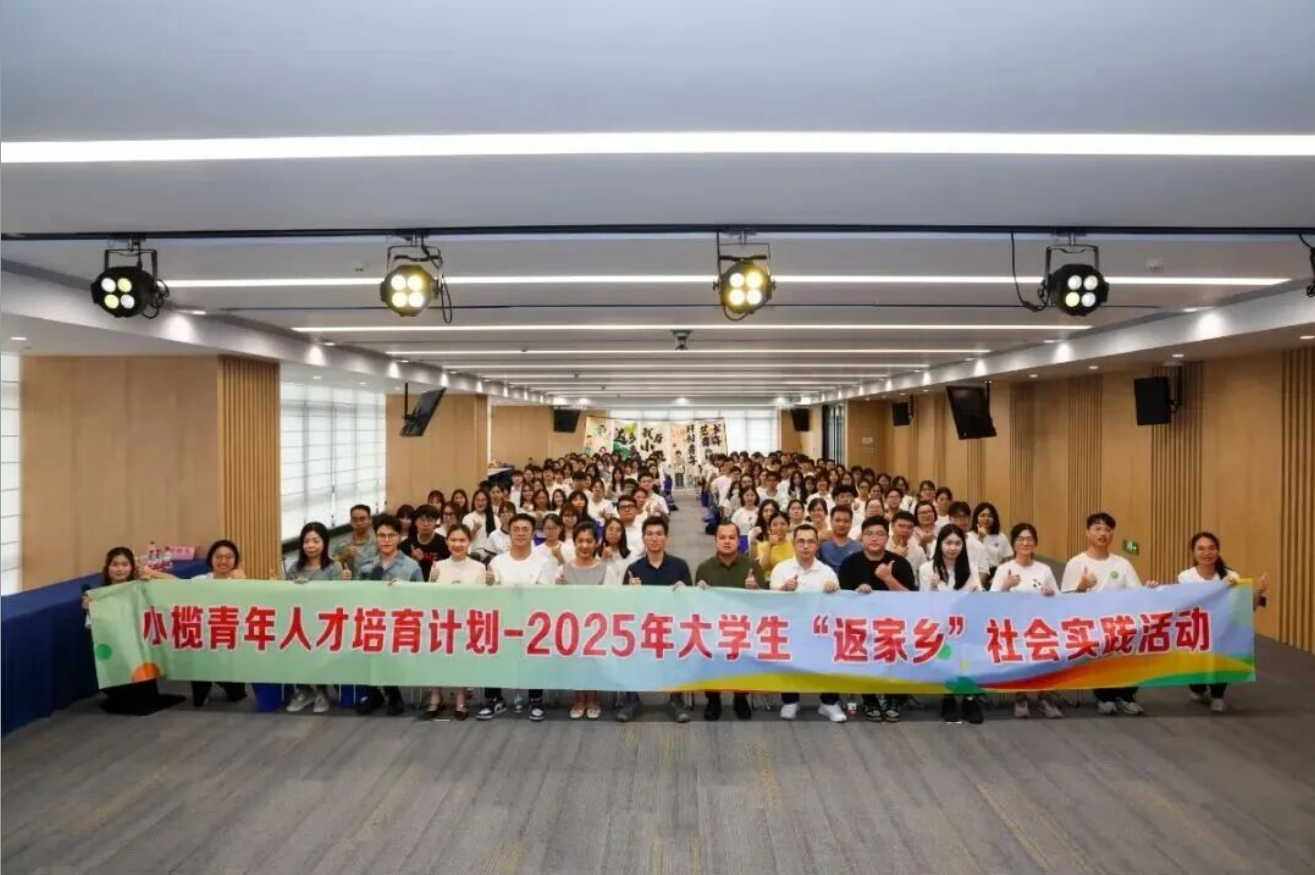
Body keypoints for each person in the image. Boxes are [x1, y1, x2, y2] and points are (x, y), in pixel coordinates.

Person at [1161, 531, 1269, 713]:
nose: (1207, 553)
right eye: (1201, 549)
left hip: (1223, 629)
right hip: (1197, 629)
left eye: (1211, 548)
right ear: (1193, 552)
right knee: (1196, 671)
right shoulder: (1185, 577)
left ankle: (1218, 695)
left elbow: (1245, 606)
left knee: (1221, 663)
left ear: (1218, 550)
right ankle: (1197, 687)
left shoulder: (1231, 576)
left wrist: (1259, 591)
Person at [144, 540, 251, 707]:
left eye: (229, 557)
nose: (223, 561)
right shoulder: (202, 580)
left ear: (236, 561)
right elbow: (177, 583)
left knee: (237, 696)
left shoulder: (241, 581)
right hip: (203, 645)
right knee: (199, 701)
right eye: (218, 556)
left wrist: (243, 581)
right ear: (211, 559)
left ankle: (226, 680)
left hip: (229, 642)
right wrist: (151, 572)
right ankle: (209, 679)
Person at [1060, 512, 1145, 716]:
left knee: (1134, 638)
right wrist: (1082, 586)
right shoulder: (1076, 563)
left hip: (1119, 624)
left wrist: (1150, 590)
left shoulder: (1122, 564)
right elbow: (1065, 603)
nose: (1103, 533)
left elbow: (1138, 593)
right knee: (1100, 643)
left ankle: (1126, 696)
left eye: (1107, 529)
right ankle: (1105, 696)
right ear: (1087, 533)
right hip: (1088, 625)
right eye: (1097, 528)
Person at [84, 547, 186, 715]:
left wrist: (150, 572)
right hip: (117, 654)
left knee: (143, 703)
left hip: (139, 653)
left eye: (125, 564)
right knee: (129, 702)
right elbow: (95, 630)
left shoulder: (141, 588)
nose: (119, 569)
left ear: (132, 567)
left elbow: (177, 584)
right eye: (115, 564)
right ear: (107, 568)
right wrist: (90, 608)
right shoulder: (98, 596)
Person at [479, 514, 557, 721]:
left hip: (533, 622)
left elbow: (546, 593)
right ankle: (494, 699)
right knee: (494, 655)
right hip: (503, 620)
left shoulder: (544, 562)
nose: (520, 533)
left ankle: (535, 700)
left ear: (532, 534)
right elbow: (491, 594)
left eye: (525, 529)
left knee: (533, 657)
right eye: (516, 529)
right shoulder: (497, 561)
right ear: (509, 534)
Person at [838, 516, 916, 722]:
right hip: (860, 625)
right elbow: (841, 601)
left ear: (887, 537)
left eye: (880, 534)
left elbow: (911, 599)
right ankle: (869, 698)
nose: (874, 538)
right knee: (859, 645)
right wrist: (856, 593)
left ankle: (894, 698)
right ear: (861, 537)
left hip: (894, 625)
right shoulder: (849, 563)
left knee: (899, 644)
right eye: (869, 534)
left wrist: (888, 578)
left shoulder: (899, 563)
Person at [618, 517, 694, 723]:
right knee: (626, 644)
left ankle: (676, 698)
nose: (654, 538)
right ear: (643, 538)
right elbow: (623, 607)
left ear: (666, 538)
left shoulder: (679, 566)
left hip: (672, 627)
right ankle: (631, 698)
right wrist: (630, 591)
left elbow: (690, 603)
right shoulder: (634, 568)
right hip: (641, 627)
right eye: (650, 534)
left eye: (659, 534)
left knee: (682, 643)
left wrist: (685, 591)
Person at [769, 525, 846, 723]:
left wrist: (834, 589)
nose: (805, 546)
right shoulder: (782, 569)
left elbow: (838, 605)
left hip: (820, 630)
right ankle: (790, 701)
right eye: (801, 541)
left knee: (828, 657)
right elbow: (769, 602)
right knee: (788, 658)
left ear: (817, 545)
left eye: (810, 542)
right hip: (789, 628)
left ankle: (829, 703)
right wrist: (783, 589)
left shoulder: (826, 571)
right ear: (793, 544)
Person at [351, 515, 424, 716]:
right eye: (381, 535)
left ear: (399, 537)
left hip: (400, 622)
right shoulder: (367, 566)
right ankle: (373, 693)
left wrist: (402, 590)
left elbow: (422, 597)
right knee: (365, 646)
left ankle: (393, 695)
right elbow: (357, 594)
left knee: (388, 648)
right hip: (372, 620)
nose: (386, 540)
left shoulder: (410, 566)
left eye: (391, 535)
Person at [694, 521, 766, 720]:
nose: (727, 541)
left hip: (745, 627)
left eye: (732, 537)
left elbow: (765, 602)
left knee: (744, 653)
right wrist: (699, 591)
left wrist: (755, 589)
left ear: (738, 540)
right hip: (713, 626)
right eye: (722, 537)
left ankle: (740, 697)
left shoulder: (752, 566)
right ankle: (713, 699)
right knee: (707, 650)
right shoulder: (704, 568)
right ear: (716, 540)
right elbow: (697, 606)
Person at [990, 523, 1062, 720]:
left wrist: (1050, 593)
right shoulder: (1004, 569)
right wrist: (1006, 586)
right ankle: (1020, 696)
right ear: (1013, 543)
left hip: (1040, 625)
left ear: (1035, 543)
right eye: (1020, 539)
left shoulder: (1044, 569)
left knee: (1046, 652)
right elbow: (991, 601)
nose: (1025, 543)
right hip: (1013, 626)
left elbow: (1058, 598)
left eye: (1030, 539)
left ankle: (1045, 697)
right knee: (1018, 654)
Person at [920, 525, 987, 724]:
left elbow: (979, 596)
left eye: (958, 543)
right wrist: (932, 586)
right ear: (939, 544)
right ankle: (948, 699)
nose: (953, 548)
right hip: (939, 625)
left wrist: (977, 594)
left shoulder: (971, 568)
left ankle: (969, 700)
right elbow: (923, 603)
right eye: (948, 543)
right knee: (946, 659)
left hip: (965, 624)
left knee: (967, 659)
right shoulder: (926, 569)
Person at [419, 524, 485, 720]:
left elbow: (482, 599)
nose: (457, 544)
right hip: (441, 621)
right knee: (435, 653)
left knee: (461, 656)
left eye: (462, 540)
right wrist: (432, 581)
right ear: (447, 542)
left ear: (469, 542)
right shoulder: (438, 566)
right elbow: (429, 596)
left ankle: (460, 697)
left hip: (466, 623)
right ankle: (435, 696)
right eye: (453, 540)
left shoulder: (479, 567)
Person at [554, 522, 615, 720]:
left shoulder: (606, 569)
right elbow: (554, 602)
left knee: (592, 662)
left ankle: (593, 698)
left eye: (589, 541)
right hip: (570, 626)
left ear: (597, 542)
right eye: (580, 541)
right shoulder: (562, 570)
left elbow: (612, 600)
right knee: (576, 662)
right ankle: (579, 699)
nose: (585, 545)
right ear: (574, 542)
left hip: (597, 626)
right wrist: (558, 589)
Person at [284, 522, 337, 715]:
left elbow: (341, 597)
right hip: (298, 622)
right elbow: (286, 597)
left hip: (325, 623)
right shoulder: (293, 569)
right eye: (306, 541)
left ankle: (322, 691)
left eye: (316, 541)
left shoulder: (334, 568)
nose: (311, 545)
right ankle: (304, 690)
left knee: (320, 654)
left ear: (325, 543)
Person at [401, 504, 450, 581]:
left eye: (430, 520)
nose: (426, 524)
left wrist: (423, 560)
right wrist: (412, 560)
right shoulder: (405, 544)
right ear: (415, 522)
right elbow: (401, 572)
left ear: (436, 522)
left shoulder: (445, 544)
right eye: (422, 520)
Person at [947, 501, 991, 584]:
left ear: (970, 519)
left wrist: (972, 587)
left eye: (965, 517)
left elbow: (984, 572)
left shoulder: (979, 546)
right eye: (957, 517)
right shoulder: (938, 543)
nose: (961, 521)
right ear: (949, 519)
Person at [335, 504, 378, 576]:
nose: (358, 523)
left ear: (370, 520)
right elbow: (330, 568)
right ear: (350, 522)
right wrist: (344, 557)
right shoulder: (342, 544)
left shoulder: (377, 544)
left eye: (362, 519)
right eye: (355, 519)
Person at [970, 501, 1012, 575]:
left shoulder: (1002, 537)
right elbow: (972, 558)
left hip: (996, 574)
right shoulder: (969, 536)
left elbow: (1008, 561)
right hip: (975, 573)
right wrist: (980, 538)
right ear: (976, 518)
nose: (986, 518)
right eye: (982, 515)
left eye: (990, 516)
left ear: (994, 519)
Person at [818, 505, 862, 572]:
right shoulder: (823, 546)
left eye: (846, 521)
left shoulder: (859, 548)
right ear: (831, 522)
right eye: (837, 520)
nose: (841, 524)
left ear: (851, 523)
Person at [463, 488, 497, 560]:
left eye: (483, 500)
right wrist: (474, 530)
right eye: (477, 500)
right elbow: (464, 539)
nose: (480, 502)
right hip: (473, 554)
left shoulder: (495, 518)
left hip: (491, 555)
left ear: (488, 502)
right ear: (474, 502)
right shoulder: (467, 518)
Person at [599, 517, 632, 582]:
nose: (614, 533)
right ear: (604, 531)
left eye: (618, 530)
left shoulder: (628, 554)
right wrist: (603, 558)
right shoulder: (595, 552)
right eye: (610, 529)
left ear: (622, 534)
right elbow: (595, 579)